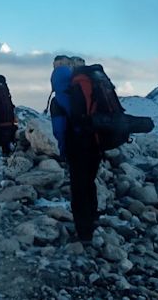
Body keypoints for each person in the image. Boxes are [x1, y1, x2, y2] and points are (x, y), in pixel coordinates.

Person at [49, 64, 102, 242]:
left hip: (76, 148)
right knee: (89, 182)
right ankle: (93, 217)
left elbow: (60, 130)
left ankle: (84, 233)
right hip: (96, 145)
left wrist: (63, 151)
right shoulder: (86, 90)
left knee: (78, 190)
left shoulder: (59, 100)